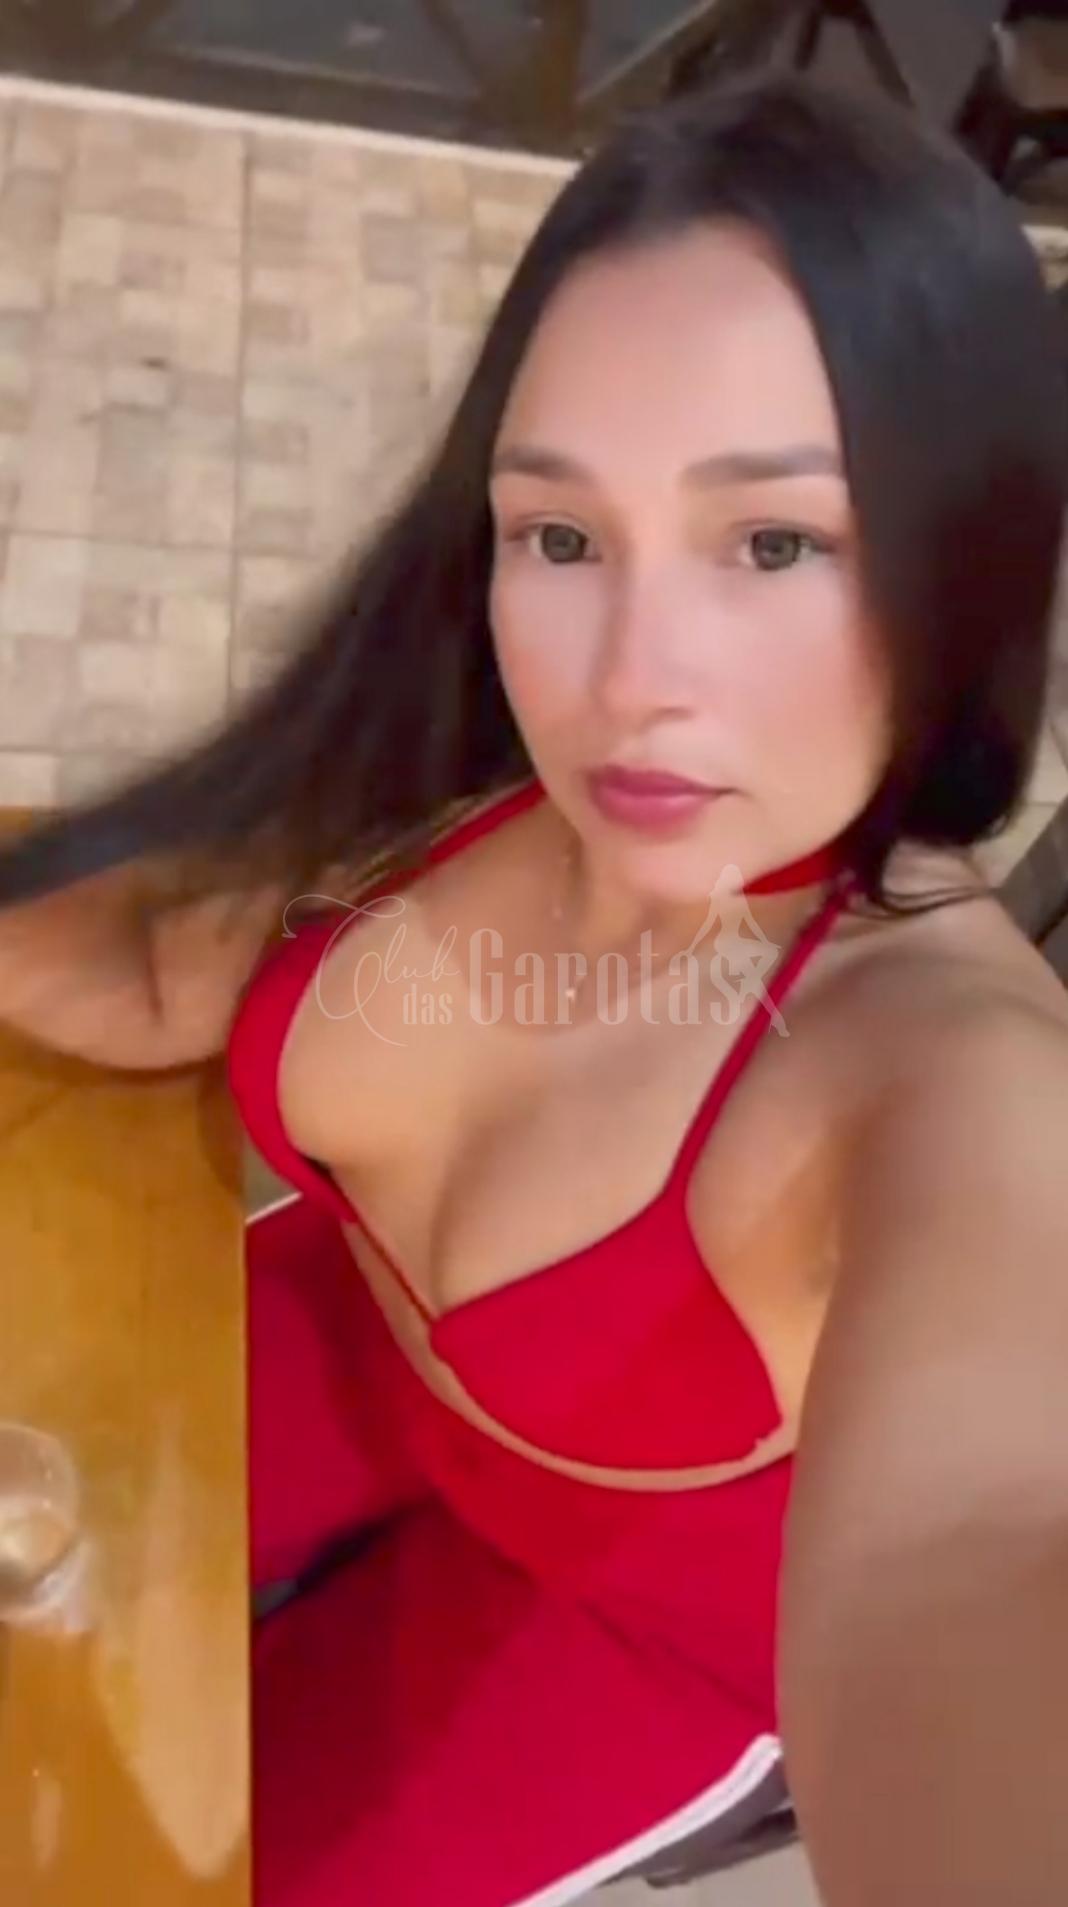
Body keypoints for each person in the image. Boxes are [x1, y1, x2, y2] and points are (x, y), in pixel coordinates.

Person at [1, 73, 1067, 1907]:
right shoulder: (464, 762)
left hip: (616, 1624)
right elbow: (153, 966)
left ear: (963, 562)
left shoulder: (946, 1080)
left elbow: (985, 1549)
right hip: (356, 1342)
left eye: (776, 543)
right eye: (561, 535)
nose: (630, 678)